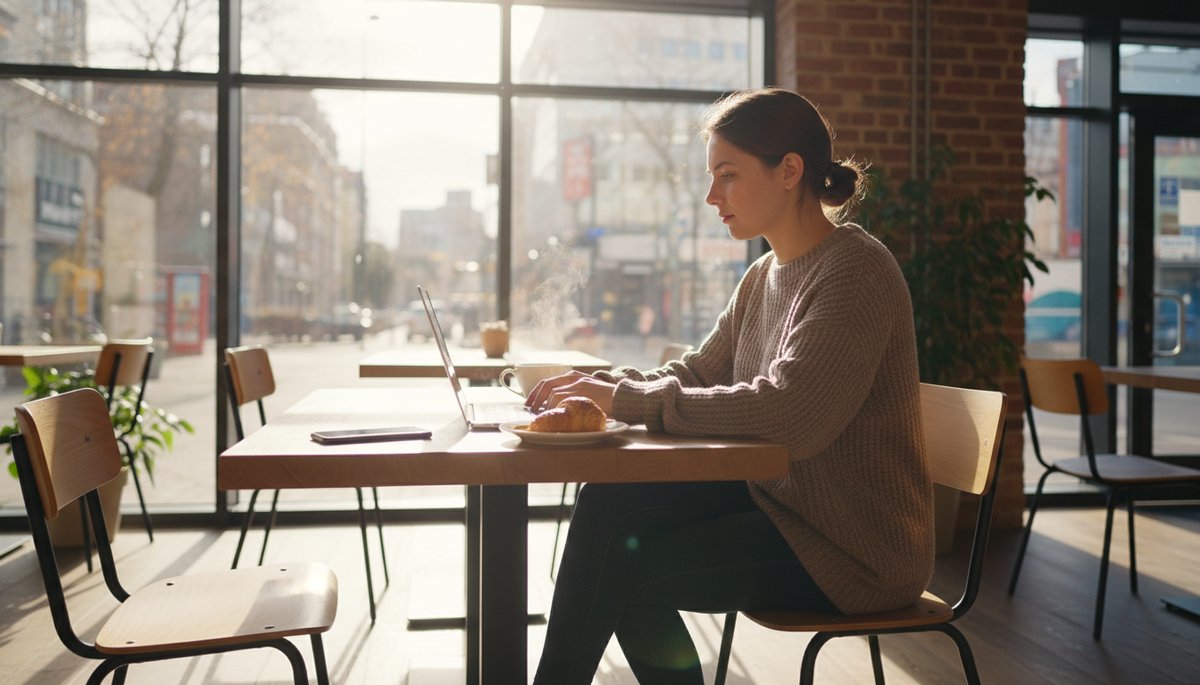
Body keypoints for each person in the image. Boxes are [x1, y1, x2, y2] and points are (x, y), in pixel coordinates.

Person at [524, 87, 931, 685]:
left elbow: (793, 415)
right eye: (712, 177)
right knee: (608, 505)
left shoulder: (857, 270)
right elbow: (695, 373)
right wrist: (605, 383)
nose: (712, 196)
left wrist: (626, 399)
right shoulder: (763, 275)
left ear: (789, 171)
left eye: (729, 175)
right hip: (782, 504)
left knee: (618, 570)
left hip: (853, 547)